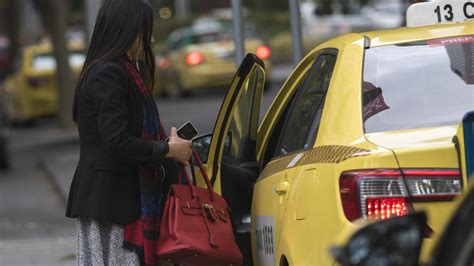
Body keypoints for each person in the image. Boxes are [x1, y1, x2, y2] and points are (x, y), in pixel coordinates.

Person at [65, 0, 192, 264]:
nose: (152, 38)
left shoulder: (122, 70)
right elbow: (117, 141)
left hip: (119, 202)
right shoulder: (108, 74)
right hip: (112, 207)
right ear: (129, 31)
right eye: (146, 31)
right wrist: (167, 149)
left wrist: (167, 146)